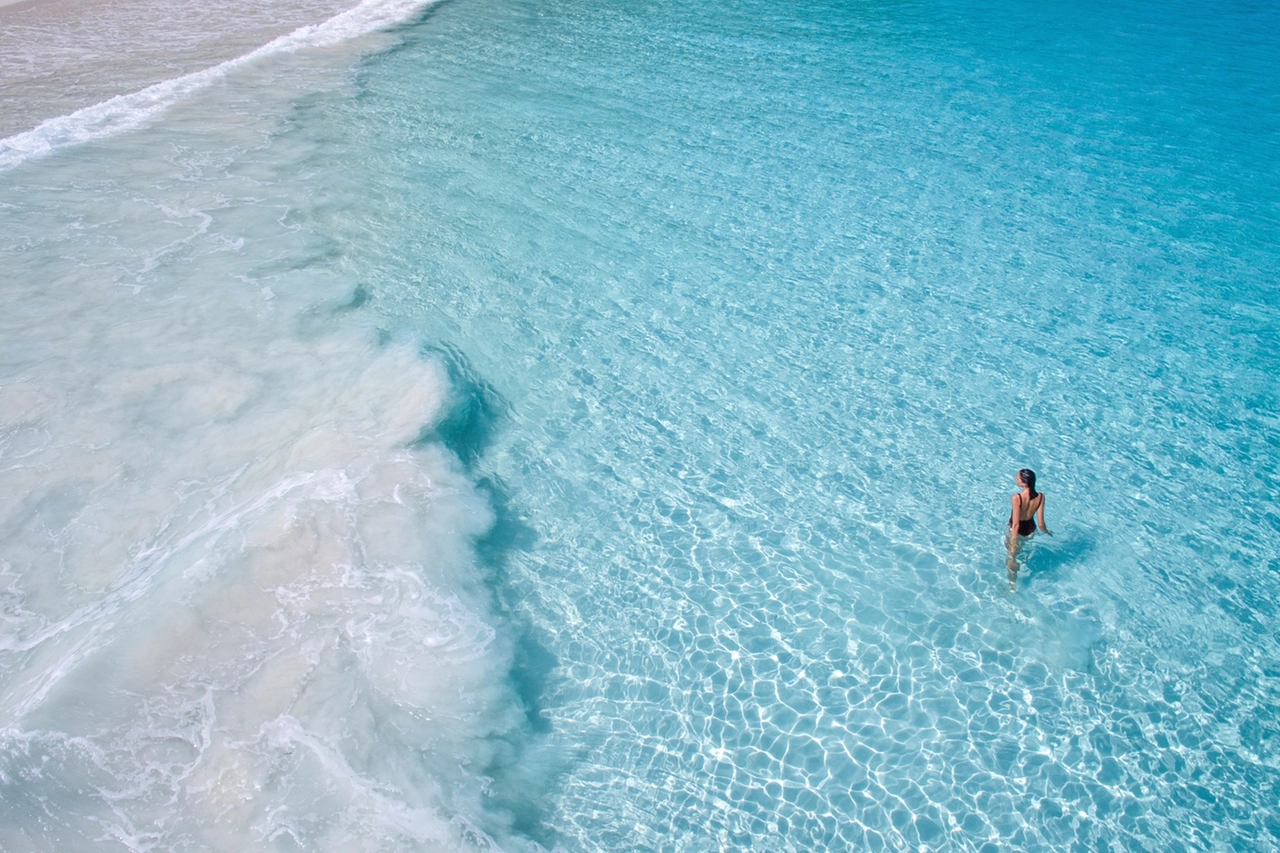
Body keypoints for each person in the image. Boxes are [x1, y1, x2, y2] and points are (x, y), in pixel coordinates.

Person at [1006, 468, 1050, 589]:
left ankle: (1012, 584)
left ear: (1024, 483)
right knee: (1023, 551)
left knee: (1012, 558)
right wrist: (1047, 532)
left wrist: (1013, 544)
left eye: (1018, 478)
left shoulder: (1017, 498)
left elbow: (1015, 525)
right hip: (1030, 531)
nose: (1016, 479)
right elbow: (1041, 523)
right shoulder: (1040, 497)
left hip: (1017, 531)